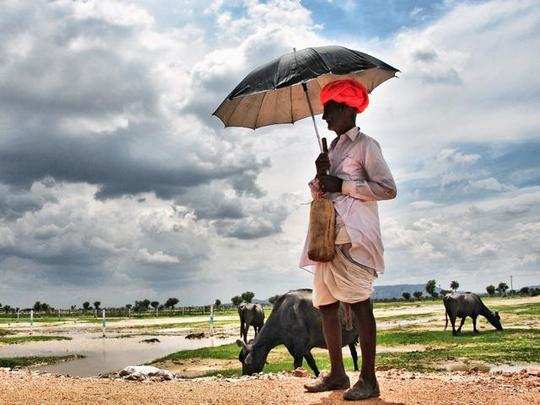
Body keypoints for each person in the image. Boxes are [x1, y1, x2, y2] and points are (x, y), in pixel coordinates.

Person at [300, 79, 397, 400]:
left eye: (328, 110)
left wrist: (342, 185)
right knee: (326, 305)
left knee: (359, 304)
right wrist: (320, 176)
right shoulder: (333, 149)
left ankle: (369, 379)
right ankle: (338, 374)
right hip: (327, 236)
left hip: (354, 238)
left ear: (346, 108)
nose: (325, 118)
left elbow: (387, 189)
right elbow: (322, 191)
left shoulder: (367, 145)